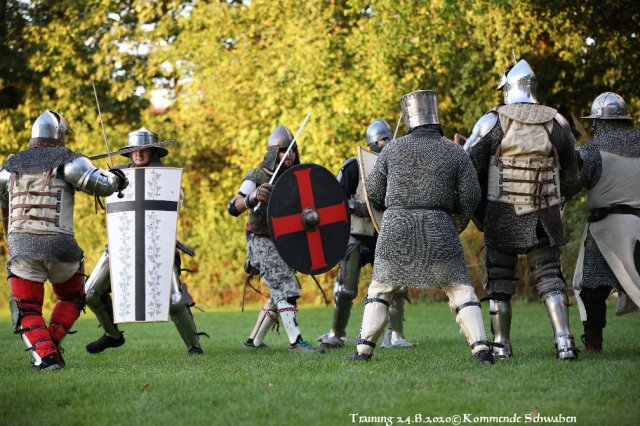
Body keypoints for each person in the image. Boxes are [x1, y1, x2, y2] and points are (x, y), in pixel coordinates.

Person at [348, 90, 493, 364]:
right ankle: (481, 349)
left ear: (410, 119)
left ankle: (363, 350)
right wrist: (454, 222)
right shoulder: (454, 151)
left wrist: (397, 203)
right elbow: (471, 195)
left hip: (397, 227)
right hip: (439, 225)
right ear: (435, 119)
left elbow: (374, 191)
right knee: (460, 288)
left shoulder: (392, 149)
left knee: (381, 289)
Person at [464, 59, 581, 360]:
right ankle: (564, 343)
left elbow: (468, 168)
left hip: (502, 212)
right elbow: (572, 173)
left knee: (499, 279)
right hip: (545, 213)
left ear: (508, 88)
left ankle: (501, 344)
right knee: (550, 276)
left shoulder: (492, 122)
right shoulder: (557, 122)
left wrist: (477, 208)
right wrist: (559, 200)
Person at [0, 110, 127, 370]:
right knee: (71, 298)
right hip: (61, 247)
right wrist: (117, 177)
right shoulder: (70, 161)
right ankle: (51, 346)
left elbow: (3, 201)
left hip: (21, 247)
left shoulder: (9, 166)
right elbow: (105, 186)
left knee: (27, 309)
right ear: (60, 136)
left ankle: (46, 356)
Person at [84, 128, 205, 355]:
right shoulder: (116, 178)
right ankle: (113, 335)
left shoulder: (167, 179)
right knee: (89, 292)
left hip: (160, 245)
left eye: (143, 150)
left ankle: (194, 347)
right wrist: (108, 179)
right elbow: (92, 185)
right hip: (121, 244)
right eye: (134, 150)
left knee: (175, 301)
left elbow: (174, 205)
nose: (138, 154)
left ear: (153, 151)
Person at [318, 118, 414, 349]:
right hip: (357, 235)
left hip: (385, 235)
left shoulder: (399, 167)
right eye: (384, 139)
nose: (389, 142)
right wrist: (356, 207)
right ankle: (336, 333)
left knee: (397, 287)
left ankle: (395, 336)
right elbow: (335, 199)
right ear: (373, 141)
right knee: (346, 289)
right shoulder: (353, 166)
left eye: (390, 138)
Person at [228, 125, 324, 354]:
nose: (289, 155)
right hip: (260, 239)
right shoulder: (257, 175)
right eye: (283, 150)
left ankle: (253, 342)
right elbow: (233, 206)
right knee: (285, 286)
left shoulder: (297, 178)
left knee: (277, 294)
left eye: (292, 150)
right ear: (273, 152)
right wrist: (253, 197)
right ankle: (296, 342)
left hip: (283, 242)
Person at [573, 92, 640, 352]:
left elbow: (576, 183)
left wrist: (574, 159)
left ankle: (593, 341)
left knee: (592, 286)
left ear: (599, 121)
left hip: (607, 229)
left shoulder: (593, 150)